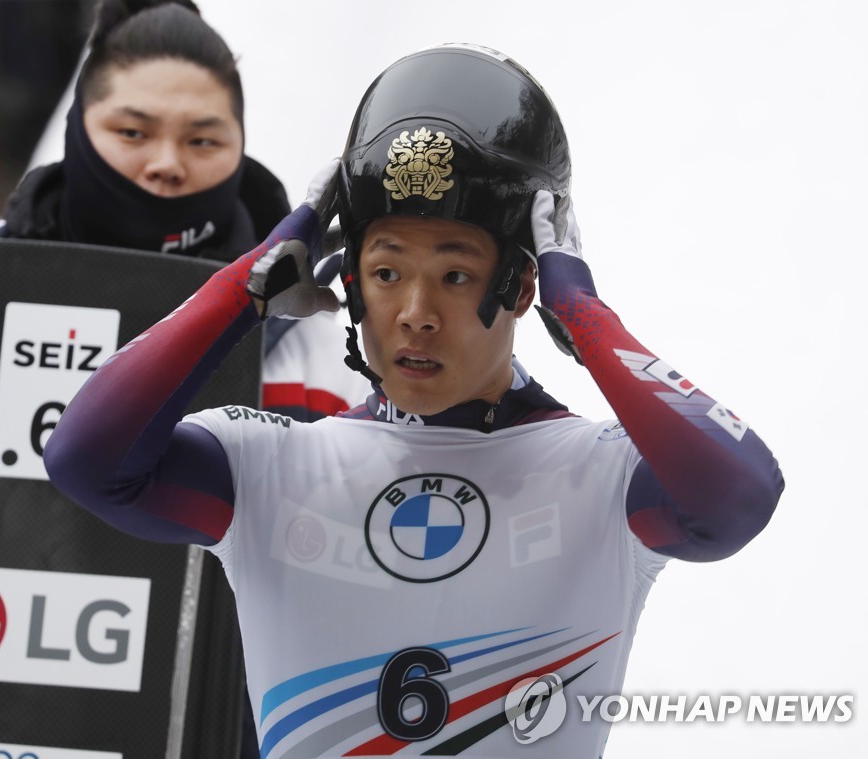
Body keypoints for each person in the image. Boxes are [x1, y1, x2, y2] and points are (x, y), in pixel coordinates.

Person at [43, 43, 784, 758]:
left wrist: (586, 319)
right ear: (348, 276)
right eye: (387, 271)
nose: (416, 312)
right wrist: (244, 289)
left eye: (456, 276)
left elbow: (739, 496)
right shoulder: (271, 464)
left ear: (523, 286)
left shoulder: (600, 473)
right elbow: (85, 458)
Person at [0, 0, 368, 417]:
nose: (167, 162)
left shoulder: (312, 330)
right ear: (78, 129)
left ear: (240, 146)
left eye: (203, 141)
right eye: (132, 132)